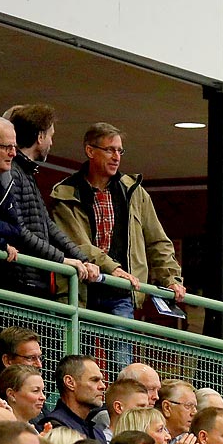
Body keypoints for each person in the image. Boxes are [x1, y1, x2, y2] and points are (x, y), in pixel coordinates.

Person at [49, 122, 186, 328]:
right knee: (77, 358)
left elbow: (157, 241)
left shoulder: (134, 191)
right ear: (90, 151)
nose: (116, 157)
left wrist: (171, 279)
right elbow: (75, 243)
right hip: (81, 288)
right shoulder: (66, 192)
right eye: (110, 150)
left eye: (120, 151)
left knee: (123, 358)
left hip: (122, 291)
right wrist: (112, 268)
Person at [0, 104, 102, 297]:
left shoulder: (25, 172)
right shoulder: (13, 172)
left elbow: (48, 226)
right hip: (20, 280)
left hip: (34, 278)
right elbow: (19, 230)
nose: (51, 143)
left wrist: (83, 259)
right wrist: (62, 260)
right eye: (50, 135)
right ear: (39, 137)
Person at [41, 354, 107, 441]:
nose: (103, 386)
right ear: (70, 383)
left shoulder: (97, 432)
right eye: (94, 380)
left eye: (102, 380)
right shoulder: (55, 427)